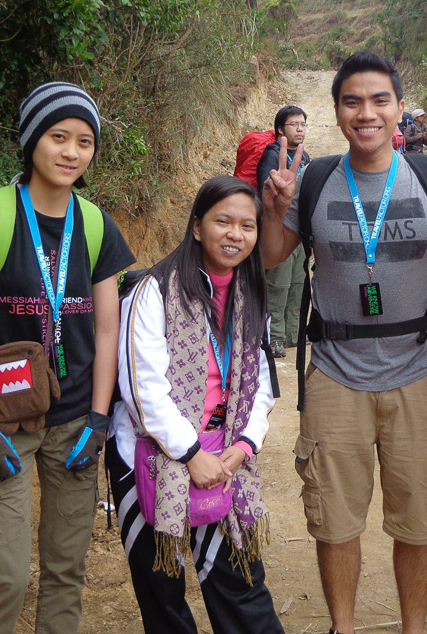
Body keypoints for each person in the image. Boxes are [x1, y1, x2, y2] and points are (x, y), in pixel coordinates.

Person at [259, 50, 427, 634]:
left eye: (380, 100)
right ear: (337, 111)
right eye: (352, 101)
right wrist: (273, 210)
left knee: (418, 521)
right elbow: (274, 256)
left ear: (400, 110)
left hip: (417, 371)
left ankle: (413, 628)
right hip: (334, 374)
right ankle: (343, 628)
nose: (367, 112)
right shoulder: (316, 180)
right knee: (334, 519)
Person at [0, 82, 134, 633]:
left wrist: (98, 417)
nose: (72, 152)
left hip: (74, 424)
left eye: (85, 141)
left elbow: (105, 326)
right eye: (58, 137)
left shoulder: (95, 225)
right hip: (3, 423)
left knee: (66, 571)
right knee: (5, 578)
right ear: (31, 141)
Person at [106, 175, 283, 633]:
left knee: (242, 584)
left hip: (225, 456)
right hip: (150, 457)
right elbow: (142, 389)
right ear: (197, 226)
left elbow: (260, 380)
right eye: (223, 221)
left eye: (247, 225)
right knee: (163, 595)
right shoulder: (153, 291)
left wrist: (245, 444)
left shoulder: (252, 293)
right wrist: (189, 454)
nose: (235, 234)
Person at [256, 106, 312, 357]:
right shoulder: (271, 155)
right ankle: (274, 336)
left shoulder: (306, 157)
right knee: (278, 284)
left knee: (299, 283)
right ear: (280, 129)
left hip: (300, 231)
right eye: (294, 124)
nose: (300, 129)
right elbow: (264, 191)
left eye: (303, 124)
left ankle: (294, 334)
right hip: (280, 228)